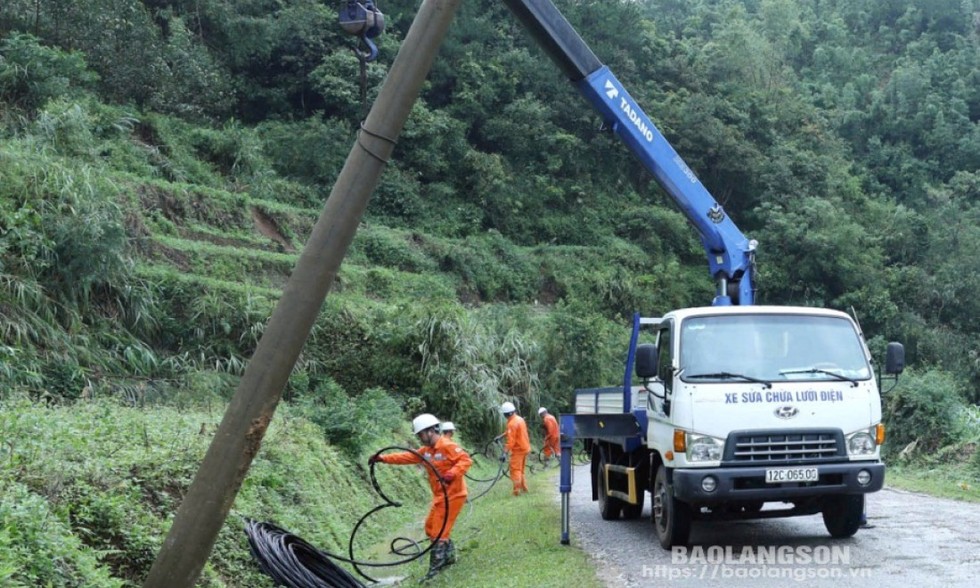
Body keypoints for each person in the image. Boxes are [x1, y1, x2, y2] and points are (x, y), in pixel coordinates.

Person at [369, 413, 472, 579]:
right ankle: (449, 556)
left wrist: (452, 474)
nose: (419, 438)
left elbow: (465, 460)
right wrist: (382, 458)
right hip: (440, 496)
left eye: (421, 434)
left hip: (454, 495)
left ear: (430, 431)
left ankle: (434, 572)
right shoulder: (426, 451)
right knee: (430, 528)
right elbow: (406, 457)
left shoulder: (447, 446)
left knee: (439, 532)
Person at [500, 401, 530, 496]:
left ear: (506, 414)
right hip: (525, 448)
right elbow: (513, 432)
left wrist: (504, 453)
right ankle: (524, 488)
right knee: (521, 470)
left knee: (515, 470)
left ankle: (516, 491)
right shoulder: (519, 419)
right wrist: (501, 436)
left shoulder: (511, 423)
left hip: (518, 450)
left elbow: (510, 442)